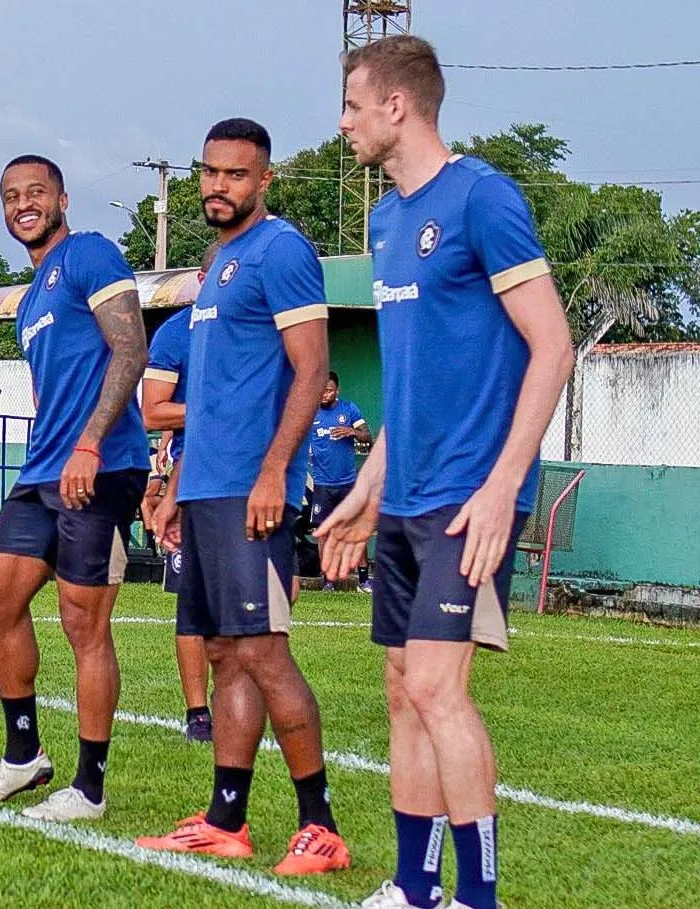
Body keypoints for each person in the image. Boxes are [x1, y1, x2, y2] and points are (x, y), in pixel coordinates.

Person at [325, 36, 572, 909]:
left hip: (471, 497)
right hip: (408, 494)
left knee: (436, 684)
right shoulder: (385, 221)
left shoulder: (482, 199)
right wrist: (368, 486)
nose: (343, 120)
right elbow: (411, 379)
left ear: (398, 105)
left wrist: (505, 484)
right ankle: (415, 886)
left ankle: (480, 896)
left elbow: (553, 346)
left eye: (353, 103)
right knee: (401, 688)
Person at [140, 119, 349, 875]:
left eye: (234, 175)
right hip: (206, 489)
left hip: (253, 489)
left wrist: (275, 471)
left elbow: (309, 367)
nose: (216, 187)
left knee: (263, 650)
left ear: (265, 180)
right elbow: (217, 397)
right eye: (209, 173)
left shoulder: (282, 250)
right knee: (226, 652)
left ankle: (319, 823)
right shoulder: (219, 264)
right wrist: (175, 484)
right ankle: (227, 817)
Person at [0, 154, 149, 821]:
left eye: (35, 191)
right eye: (10, 196)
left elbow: (131, 350)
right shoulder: (31, 298)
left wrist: (90, 443)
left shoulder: (91, 254)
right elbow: (52, 388)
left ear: (63, 197)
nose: (23, 204)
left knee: (81, 621)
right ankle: (22, 757)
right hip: (43, 471)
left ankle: (89, 788)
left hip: (100, 464)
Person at [139, 244, 218, 745]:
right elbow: (153, 412)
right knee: (194, 601)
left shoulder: (267, 326)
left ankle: (247, 697)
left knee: (270, 603)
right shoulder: (177, 332)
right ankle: (198, 713)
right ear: (201, 276)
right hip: (198, 480)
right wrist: (216, 411)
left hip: (261, 478)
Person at [308, 371, 372, 592]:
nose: (324, 394)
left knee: (355, 529)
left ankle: (363, 580)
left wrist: (351, 431)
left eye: (328, 390)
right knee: (323, 532)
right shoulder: (310, 412)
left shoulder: (349, 409)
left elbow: (367, 436)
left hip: (348, 482)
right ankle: (328, 581)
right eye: (321, 389)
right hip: (322, 483)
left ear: (337, 390)